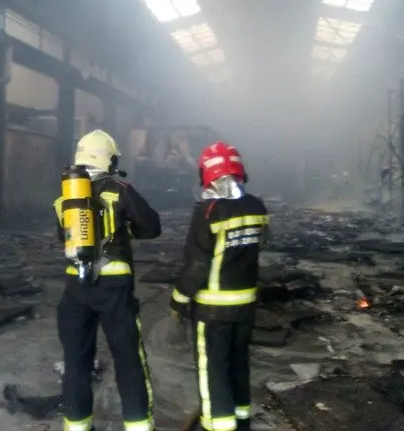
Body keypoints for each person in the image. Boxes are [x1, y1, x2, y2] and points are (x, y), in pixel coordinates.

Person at [53, 129, 162, 431]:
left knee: (76, 364)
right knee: (129, 361)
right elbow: (151, 226)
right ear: (109, 159)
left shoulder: (66, 196)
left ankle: (77, 427)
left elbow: (65, 237)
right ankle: (139, 426)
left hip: (76, 289)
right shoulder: (119, 189)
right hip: (114, 291)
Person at [170, 141, 269, 431]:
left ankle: (218, 426)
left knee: (213, 369)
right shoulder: (257, 206)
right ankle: (242, 422)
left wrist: (179, 300)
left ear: (208, 174)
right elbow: (260, 242)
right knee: (239, 363)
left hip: (213, 310)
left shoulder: (209, 212)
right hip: (246, 306)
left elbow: (197, 265)